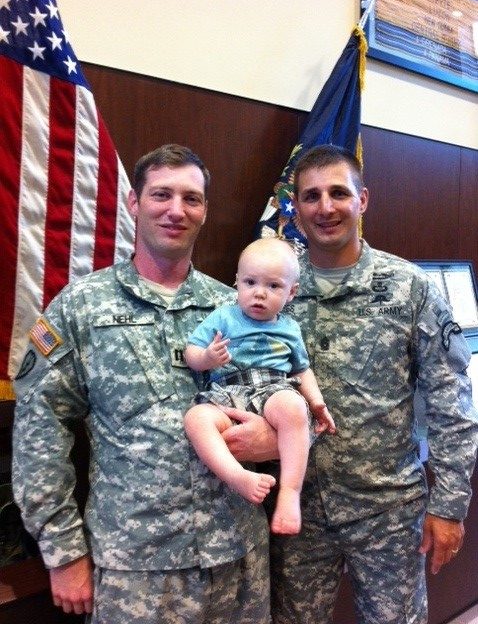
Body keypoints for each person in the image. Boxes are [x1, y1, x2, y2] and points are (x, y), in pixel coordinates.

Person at [12, 144, 271, 624]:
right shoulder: (80, 307)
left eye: (191, 199)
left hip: (236, 559)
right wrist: (64, 550)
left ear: (205, 211)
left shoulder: (237, 310)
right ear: (134, 202)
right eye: (161, 195)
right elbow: (39, 431)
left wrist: (271, 438)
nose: (176, 210)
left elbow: (283, 400)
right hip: (137, 568)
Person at [223, 144, 478, 624]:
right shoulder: (265, 289)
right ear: (294, 208)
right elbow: (236, 383)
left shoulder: (408, 287)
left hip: (387, 511)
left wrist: (449, 505)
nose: (325, 207)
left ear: (363, 200)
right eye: (311, 196)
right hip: (297, 511)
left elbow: (452, 402)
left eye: (338, 193)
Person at [184, 238, 336, 535]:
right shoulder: (223, 316)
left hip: (272, 388)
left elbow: (302, 369)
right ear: (237, 282)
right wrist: (206, 357)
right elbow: (191, 352)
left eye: (273, 286)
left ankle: (289, 492)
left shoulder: (289, 328)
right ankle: (237, 476)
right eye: (250, 282)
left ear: (291, 292)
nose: (259, 294)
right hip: (225, 392)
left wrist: (317, 404)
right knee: (196, 418)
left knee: (293, 408)